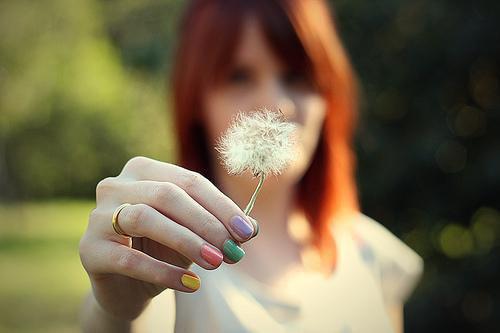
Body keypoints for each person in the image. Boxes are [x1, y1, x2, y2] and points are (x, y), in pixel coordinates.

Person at [78, 0, 423, 332]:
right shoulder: (168, 252)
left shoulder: (371, 254)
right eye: (239, 77)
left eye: (297, 77)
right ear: (196, 99)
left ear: (328, 95)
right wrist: (116, 311)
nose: (277, 105)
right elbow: (122, 322)